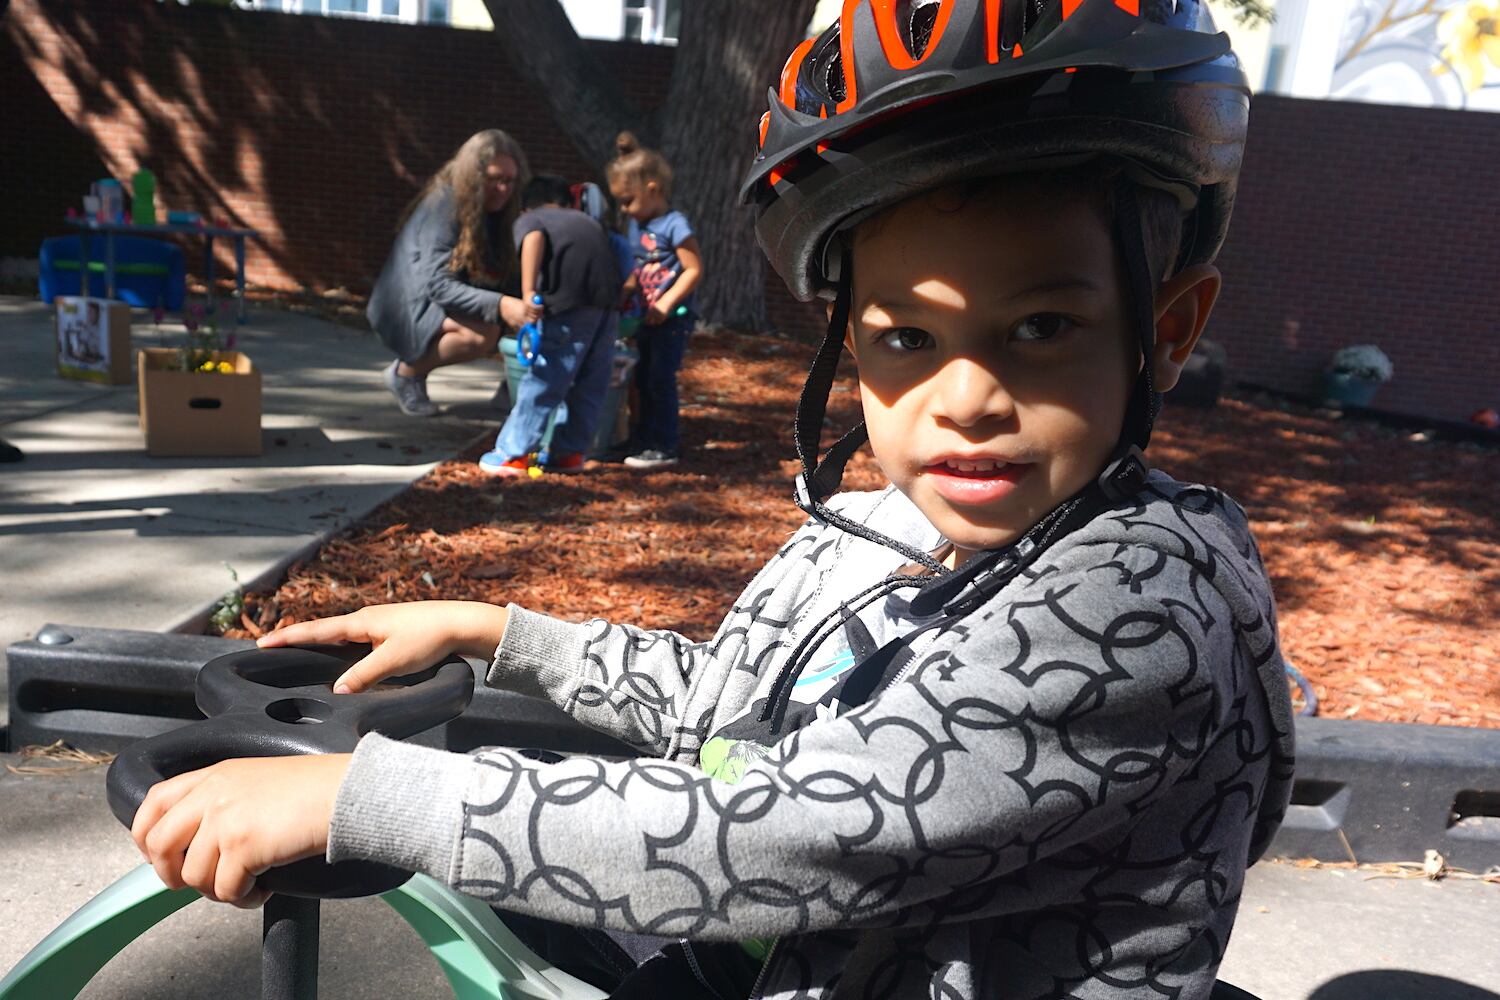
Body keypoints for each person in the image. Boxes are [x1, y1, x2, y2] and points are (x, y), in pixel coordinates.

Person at [128, 3, 1295, 999]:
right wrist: (503, 636)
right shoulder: (910, 536)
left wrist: (372, 797)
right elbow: (746, 739)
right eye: (906, 336)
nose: (967, 398)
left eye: (1041, 327)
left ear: (1167, 330)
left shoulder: (1140, 599)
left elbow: (791, 828)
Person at [368, 129, 544, 417]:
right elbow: (437, 285)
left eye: (510, 181)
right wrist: (502, 305)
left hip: (439, 301)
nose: (504, 189)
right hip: (405, 308)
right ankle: (405, 373)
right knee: (481, 335)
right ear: (474, 177)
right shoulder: (444, 206)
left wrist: (524, 299)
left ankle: (515, 385)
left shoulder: (499, 211)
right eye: (494, 180)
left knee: (529, 307)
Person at [478, 176, 625, 476]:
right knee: (589, 382)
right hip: (608, 307)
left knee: (546, 379)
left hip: (568, 308)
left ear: (526, 207)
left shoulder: (533, 218)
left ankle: (513, 453)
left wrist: (529, 294)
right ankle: (569, 453)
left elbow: (533, 238)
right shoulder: (586, 221)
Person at [602, 132, 703, 470]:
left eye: (628, 200)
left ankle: (664, 444)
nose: (624, 209)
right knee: (639, 378)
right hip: (644, 317)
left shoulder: (674, 224)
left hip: (671, 319)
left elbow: (693, 269)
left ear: (652, 188)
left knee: (659, 378)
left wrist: (666, 303)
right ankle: (642, 436)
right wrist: (626, 291)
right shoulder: (636, 224)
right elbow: (636, 266)